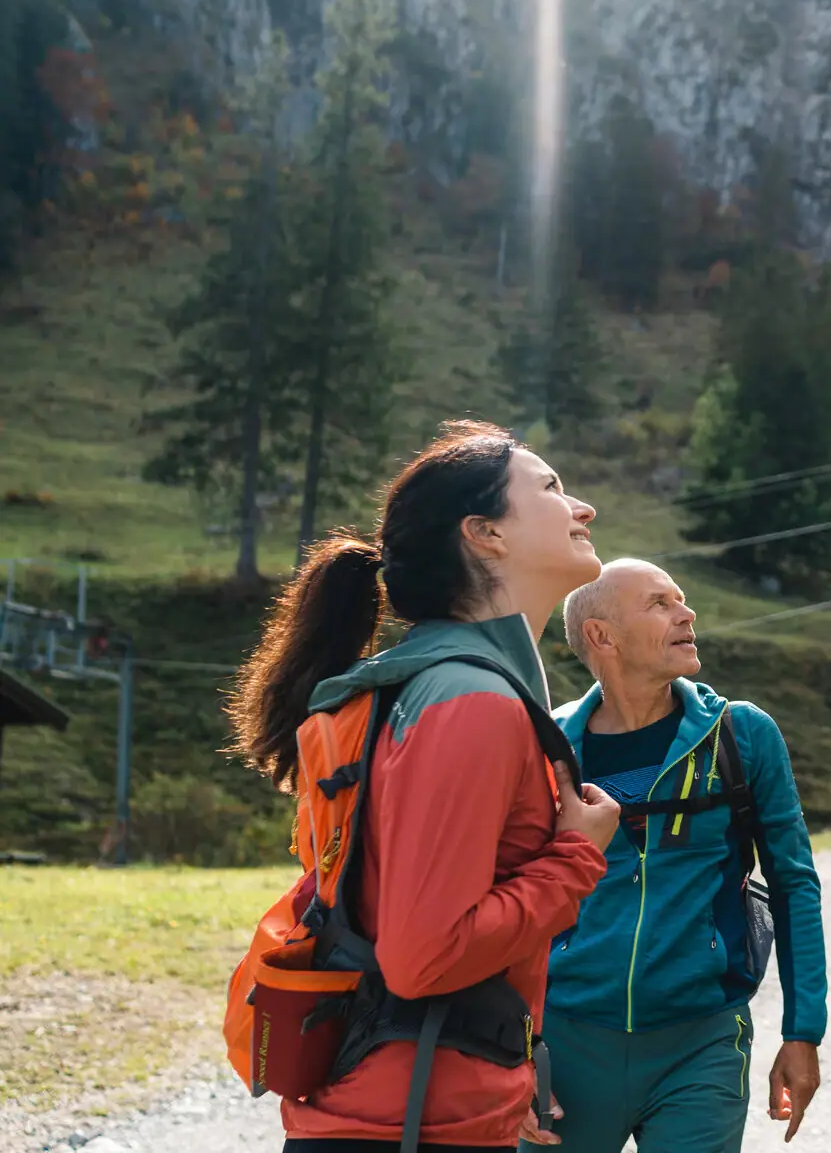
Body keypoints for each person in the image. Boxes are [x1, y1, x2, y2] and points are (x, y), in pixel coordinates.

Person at [228, 419, 623, 1153]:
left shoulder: (440, 686)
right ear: (485, 534)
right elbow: (425, 955)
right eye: (551, 489)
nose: (583, 508)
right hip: (409, 1126)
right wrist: (575, 856)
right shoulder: (469, 703)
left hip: (408, 1111)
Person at [527, 558, 828, 1153]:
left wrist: (803, 1031)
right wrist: (511, 1053)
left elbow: (794, 884)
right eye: (659, 603)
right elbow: (510, 902)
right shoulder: (547, 751)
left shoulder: (742, 735)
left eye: (682, 599)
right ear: (601, 635)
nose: (686, 614)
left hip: (703, 1043)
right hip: (565, 1045)